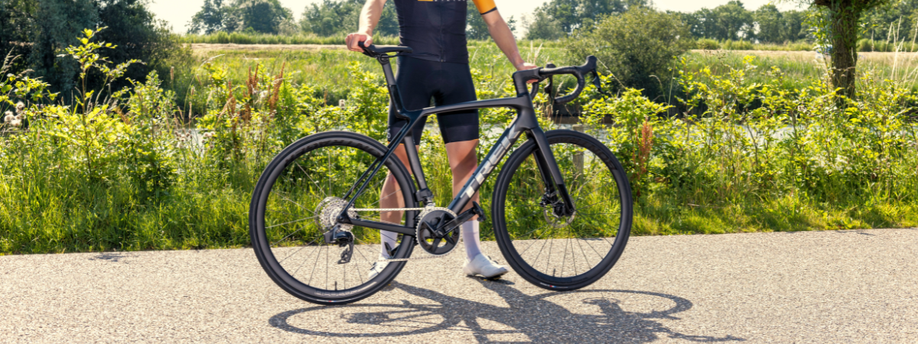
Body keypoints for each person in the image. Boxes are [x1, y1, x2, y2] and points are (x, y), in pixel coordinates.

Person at [345, 0, 536, 279]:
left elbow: (493, 20)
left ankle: (474, 256)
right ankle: (386, 255)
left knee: (468, 165)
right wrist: (365, 30)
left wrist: (518, 62)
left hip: (457, 73)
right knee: (400, 166)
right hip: (413, 71)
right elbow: (374, 3)